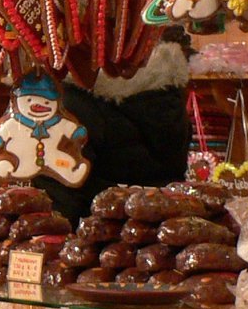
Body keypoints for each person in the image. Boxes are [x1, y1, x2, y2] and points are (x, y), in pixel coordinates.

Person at [33, 37, 192, 221]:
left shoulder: (75, 102)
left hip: (100, 232)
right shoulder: (169, 94)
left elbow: (63, 192)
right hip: (166, 228)